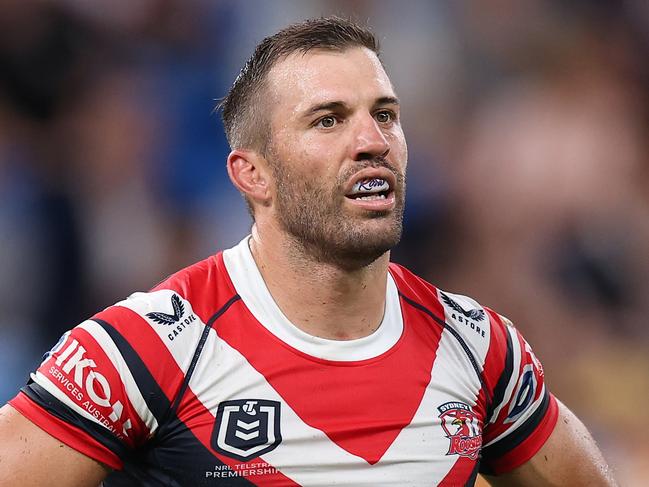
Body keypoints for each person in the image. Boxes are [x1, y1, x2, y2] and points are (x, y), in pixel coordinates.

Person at [0, 16, 616, 487]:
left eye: (386, 115)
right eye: (328, 120)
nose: (372, 140)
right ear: (252, 175)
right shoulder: (147, 348)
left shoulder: (479, 348)